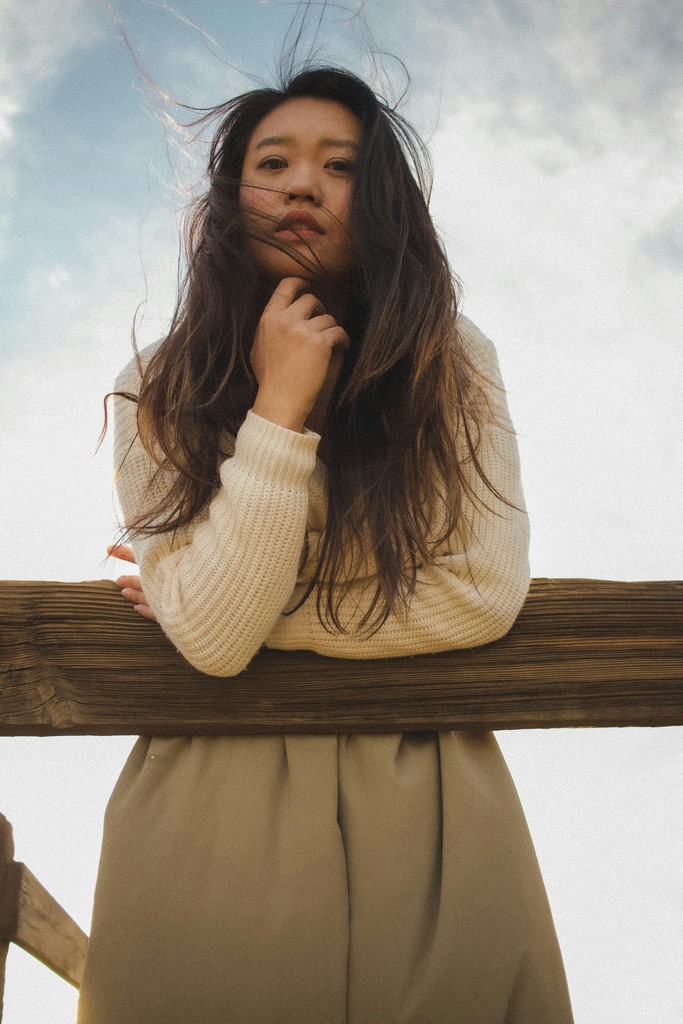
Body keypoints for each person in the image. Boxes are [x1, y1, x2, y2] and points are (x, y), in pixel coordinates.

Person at [77, 67, 573, 1023]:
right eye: (273, 163)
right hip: (209, 790)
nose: (301, 184)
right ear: (232, 195)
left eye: (338, 166)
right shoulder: (158, 382)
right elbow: (216, 645)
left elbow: (479, 592)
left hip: (428, 780)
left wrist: (224, 605)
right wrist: (279, 403)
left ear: (378, 197)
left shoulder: (449, 357)